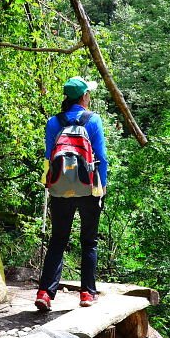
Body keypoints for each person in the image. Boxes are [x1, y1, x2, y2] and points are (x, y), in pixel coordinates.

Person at [35, 76, 107, 311]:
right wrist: (101, 187)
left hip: (60, 187)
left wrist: (49, 182)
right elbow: (101, 159)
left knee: (58, 240)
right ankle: (87, 293)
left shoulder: (53, 122)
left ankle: (45, 292)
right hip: (88, 187)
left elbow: (49, 156)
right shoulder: (93, 120)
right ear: (84, 96)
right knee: (89, 241)